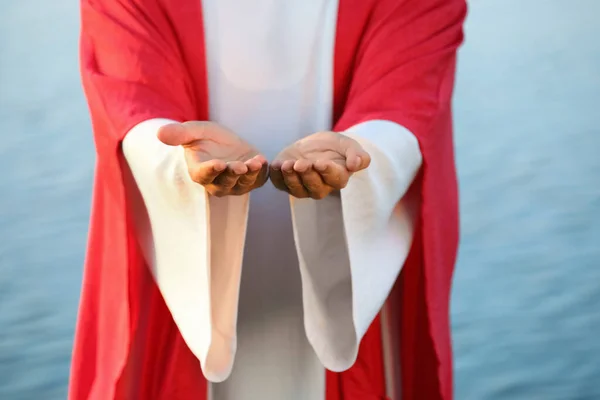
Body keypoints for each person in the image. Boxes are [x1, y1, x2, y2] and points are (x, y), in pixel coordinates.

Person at [69, 0, 466, 398]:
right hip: (181, 297)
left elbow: (407, 97)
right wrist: (178, 157)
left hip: (351, 296)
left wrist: (359, 155)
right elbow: (130, 92)